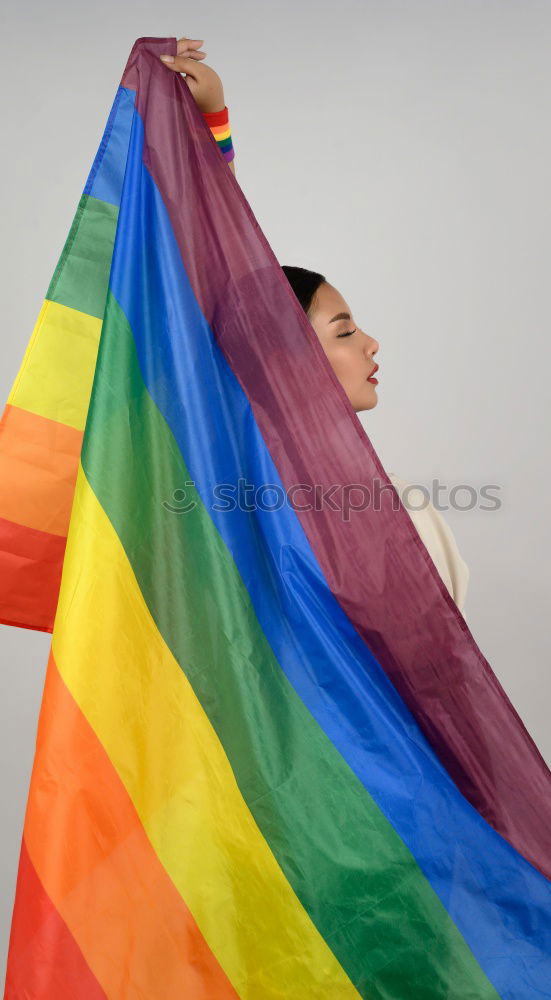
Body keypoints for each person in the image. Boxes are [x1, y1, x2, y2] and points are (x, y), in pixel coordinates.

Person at [160, 37, 469, 619]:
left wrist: (215, 125)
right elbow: (201, 273)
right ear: (286, 359)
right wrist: (209, 129)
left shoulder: (372, 500)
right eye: (345, 331)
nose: (373, 343)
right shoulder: (244, 501)